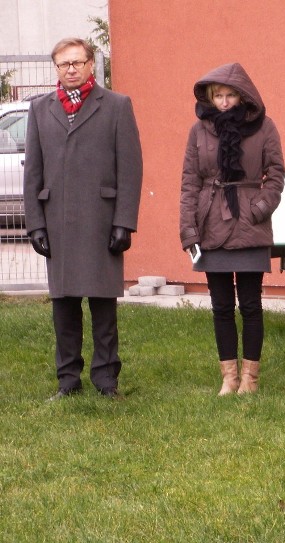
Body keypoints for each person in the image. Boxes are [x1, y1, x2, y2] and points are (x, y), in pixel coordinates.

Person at [24, 37, 143, 400]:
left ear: (91, 64)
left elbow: (131, 168)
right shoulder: (40, 109)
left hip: (102, 221)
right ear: (56, 68)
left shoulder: (117, 106)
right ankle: (68, 380)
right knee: (63, 305)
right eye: (64, 64)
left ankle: (107, 380)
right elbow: (33, 172)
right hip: (57, 221)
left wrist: (124, 221)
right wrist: (35, 224)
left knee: (103, 304)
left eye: (77, 62)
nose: (71, 69)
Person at [179, 63, 285, 395]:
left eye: (230, 95)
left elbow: (277, 174)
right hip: (212, 223)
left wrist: (260, 207)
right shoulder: (198, 130)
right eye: (218, 96)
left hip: (250, 225)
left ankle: (250, 378)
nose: (224, 102)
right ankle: (229, 377)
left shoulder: (265, 127)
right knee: (221, 305)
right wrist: (189, 230)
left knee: (251, 304)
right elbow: (189, 183)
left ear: (243, 96)